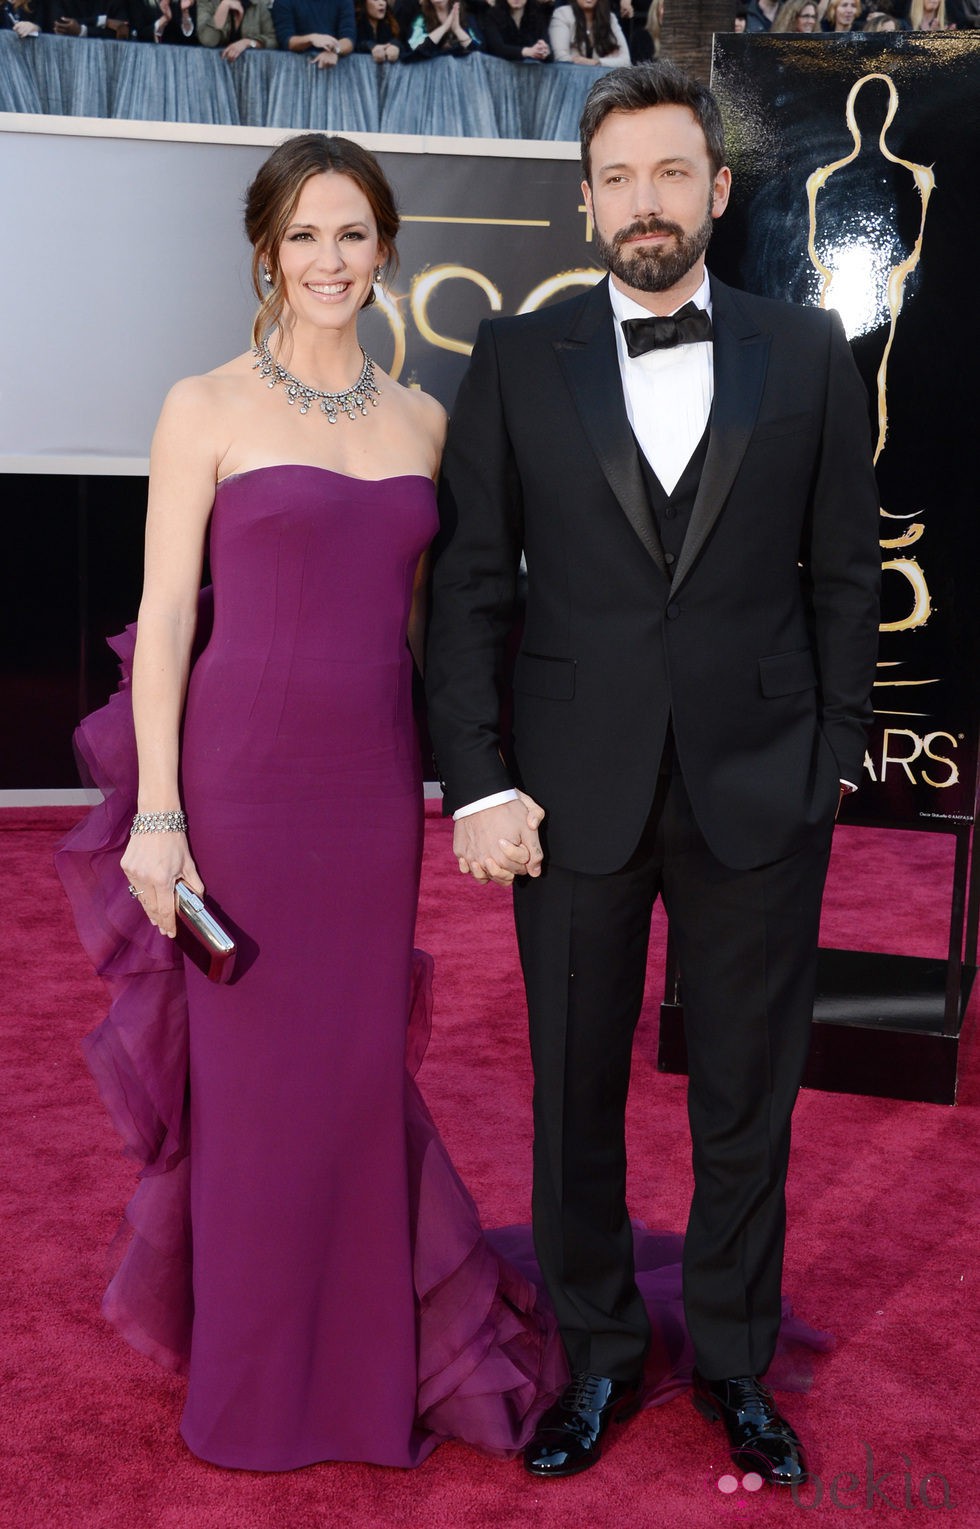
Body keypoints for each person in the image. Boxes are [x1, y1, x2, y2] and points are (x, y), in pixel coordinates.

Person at [55, 132, 573, 1471]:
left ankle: (359, 1373)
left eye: (352, 234)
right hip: (237, 788)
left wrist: (478, 778)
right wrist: (157, 815)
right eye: (303, 236)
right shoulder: (205, 405)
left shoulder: (421, 422)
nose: (329, 261)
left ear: (386, 247)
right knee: (249, 1095)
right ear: (266, 253)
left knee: (348, 1083)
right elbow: (166, 617)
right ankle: (253, 1385)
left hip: (365, 793)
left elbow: (435, 631)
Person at [425, 61, 880, 1486]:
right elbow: (469, 599)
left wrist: (829, 755)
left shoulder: (805, 353)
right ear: (584, 201)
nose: (644, 203)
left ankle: (737, 1361)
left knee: (748, 1092)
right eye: (617, 177)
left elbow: (848, 578)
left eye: (670, 174)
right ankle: (601, 1353)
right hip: (570, 791)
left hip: (762, 785)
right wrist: (481, 779)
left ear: (717, 191)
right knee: (572, 1090)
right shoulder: (514, 355)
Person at [548, 0, 630, 65]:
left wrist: (597, 62)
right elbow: (560, 58)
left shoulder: (610, 17)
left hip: (601, 80)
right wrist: (610, 61)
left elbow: (626, 60)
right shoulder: (562, 14)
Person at [273, 0, 355, 64]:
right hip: (294, 67)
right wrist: (311, 39)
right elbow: (285, 40)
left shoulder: (344, 1)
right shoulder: (283, 1)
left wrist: (335, 51)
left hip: (334, 67)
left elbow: (348, 39)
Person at [197, 0, 277, 57]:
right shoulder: (207, 2)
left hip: (250, 69)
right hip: (214, 69)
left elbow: (273, 41)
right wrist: (224, 6)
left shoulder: (258, 4)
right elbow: (208, 41)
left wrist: (248, 42)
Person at [405, 0, 482, 58]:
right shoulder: (420, 19)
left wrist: (457, 29)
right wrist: (444, 27)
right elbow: (416, 51)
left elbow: (479, 51)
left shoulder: (467, 17)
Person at [480, 0, 551, 61]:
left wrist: (544, 51)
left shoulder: (538, 16)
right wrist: (526, 51)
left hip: (531, 70)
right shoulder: (492, 15)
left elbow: (547, 48)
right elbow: (497, 48)